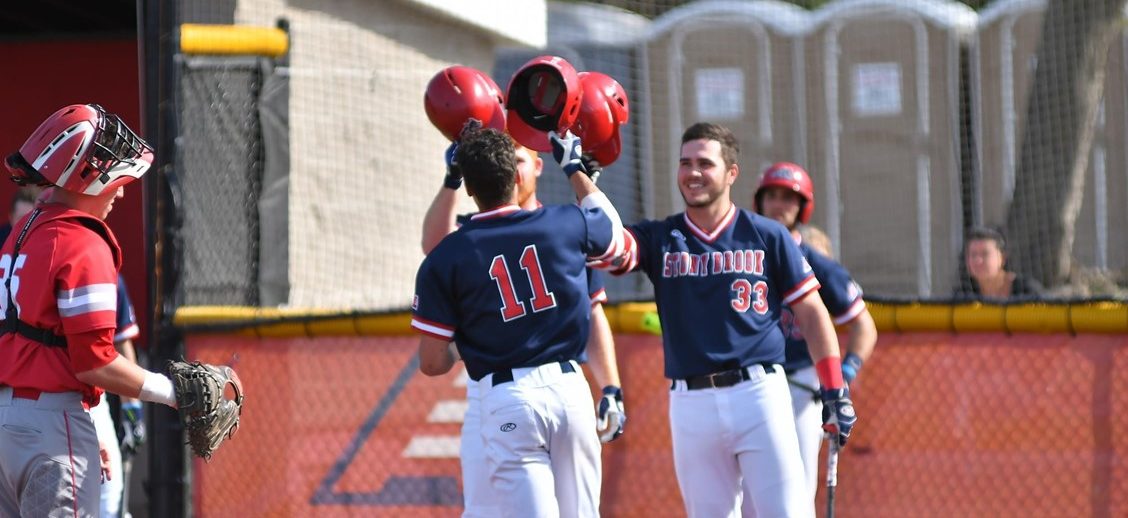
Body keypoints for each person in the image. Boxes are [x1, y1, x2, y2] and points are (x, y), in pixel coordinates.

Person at [599, 123, 856, 517]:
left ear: (731, 173)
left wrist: (835, 388)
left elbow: (812, 312)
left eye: (705, 163)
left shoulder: (767, 235)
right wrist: (584, 179)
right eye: (685, 163)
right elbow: (610, 246)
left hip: (759, 394)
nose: (693, 172)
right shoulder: (660, 237)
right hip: (690, 401)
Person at [411, 127, 625, 517]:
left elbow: (431, 362)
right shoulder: (564, 223)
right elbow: (613, 237)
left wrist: (467, 344)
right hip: (568, 389)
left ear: (470, 190)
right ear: (515, 176)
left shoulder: (450, 255)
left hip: (507, 397)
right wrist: (575, 168)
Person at [0, 104, 186, 516]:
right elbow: (94, 362)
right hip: (53, 429)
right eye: (117, 176)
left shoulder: (22, 229)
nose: (120, 190)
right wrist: (172, 393)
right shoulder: (84, 242)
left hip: (8, 426)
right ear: (87, 173)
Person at [753, 162, 878, 503]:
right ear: (760, 200)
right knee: (749, 487)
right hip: (750, 381)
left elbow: (864, 325)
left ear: (802, 207)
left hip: (803, 383)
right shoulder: (743, 257)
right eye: (773, 196)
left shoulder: (817, 264)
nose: (779, 205)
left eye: (789, 198)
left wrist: (845, 372)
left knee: (795, 484)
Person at [89, 275, 145, 518]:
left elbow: (121, 342)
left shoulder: (103, 268)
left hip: (90, 400)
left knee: (109, 504)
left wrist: (132, 410)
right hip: (49, 400)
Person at [954, 225, 1044, 300]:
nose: (978, 260)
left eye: (985, 254)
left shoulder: (1027, 291)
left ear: (1002, 258)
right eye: (973, 255)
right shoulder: (963, 295)